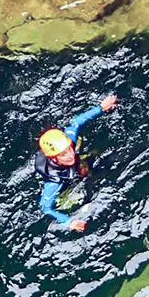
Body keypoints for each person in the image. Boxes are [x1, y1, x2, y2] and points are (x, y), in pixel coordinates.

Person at [35, 95, 118, 231]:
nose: (70, 155)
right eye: (63, 154)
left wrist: (101, 108)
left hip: (79, 167)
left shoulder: (67, 142)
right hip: (68, 184)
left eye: (69, 150)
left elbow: (76, 121)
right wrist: (68, 222)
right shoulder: (54, 181)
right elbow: (45, 207)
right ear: (54, 158)